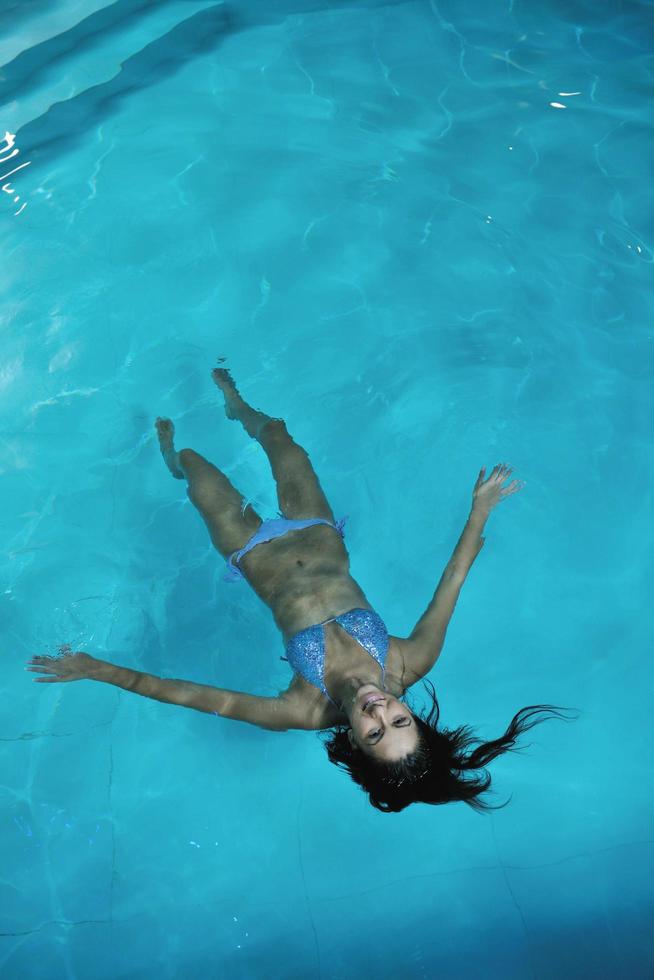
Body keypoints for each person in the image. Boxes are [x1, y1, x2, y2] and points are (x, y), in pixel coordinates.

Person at [27, 366, 574, 813]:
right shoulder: (410, 661)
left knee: (195, 467)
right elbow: (453, 580)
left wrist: (98, 670)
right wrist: (478, 511)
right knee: (279, 435)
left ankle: (170, 460)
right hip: (315, 528)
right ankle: (236, 406)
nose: (378, 711)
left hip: (249, 552)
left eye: (375, 732)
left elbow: (189, 694)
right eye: (399, 721)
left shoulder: (302, 710)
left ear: (355, 746)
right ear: (413, 712)